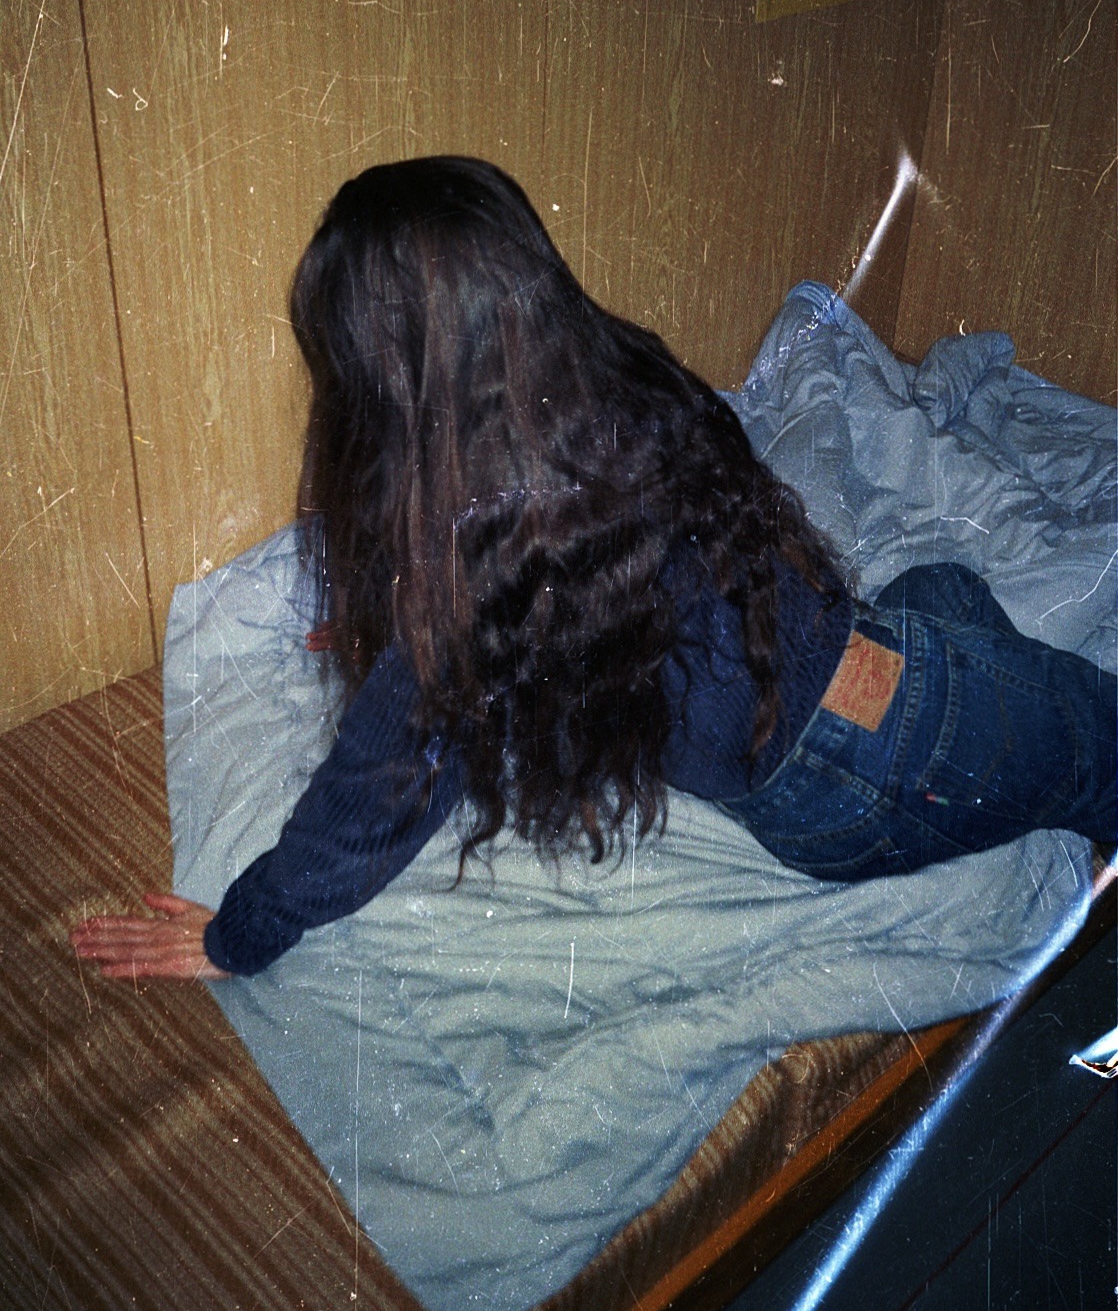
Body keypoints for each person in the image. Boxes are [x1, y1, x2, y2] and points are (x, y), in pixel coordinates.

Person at [70, 157, 1117, 982]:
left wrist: (400, 622)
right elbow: (372, 795)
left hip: (855, 732)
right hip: (866, 757)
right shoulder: (579, 422)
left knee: (946, 594)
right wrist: (238, 935)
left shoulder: (516, 489)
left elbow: (426, 674)